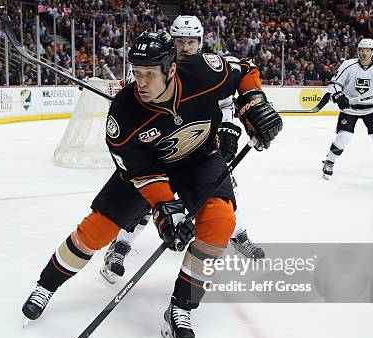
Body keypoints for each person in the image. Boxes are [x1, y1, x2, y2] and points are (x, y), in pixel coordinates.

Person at [20, 32, 282, 338]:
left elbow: (244, 72)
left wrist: (254, 102)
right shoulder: (124, 113)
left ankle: (180, 307)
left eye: (149, 74)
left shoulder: (202, 73)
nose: (140, 82)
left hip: (199, 159)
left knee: (220, 222)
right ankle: (45, 286)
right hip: (149, 170)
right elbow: (140, 173)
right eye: (137, 72)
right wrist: (164, 209)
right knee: (97, 229)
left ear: (171, 70)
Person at [100, 16, 266, 285]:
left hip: (198, 147)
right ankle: (119, 247)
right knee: (146, 204)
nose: (186, 47)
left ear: (200, 42)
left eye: (191, 42)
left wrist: (227, 129)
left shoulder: (204, 68)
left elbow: (225, 103)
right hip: (159, 154)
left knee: (216, 193)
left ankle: (238, 235)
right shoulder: (155, 66)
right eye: (180, 42)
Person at [323, 38, 373, 180]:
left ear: (372, 51)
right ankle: (329, 161)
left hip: (371, 109)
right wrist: (339, 96)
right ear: (358, 51)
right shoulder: (348, 65)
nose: (364, 53)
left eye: (367, 50)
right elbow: (334, 84)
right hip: (350, 109)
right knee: (344, 136)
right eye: (362, 50)